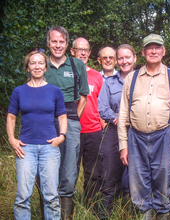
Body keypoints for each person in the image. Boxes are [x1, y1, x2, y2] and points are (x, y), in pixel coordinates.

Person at [117, 34, 170, 220]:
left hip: (164, 135)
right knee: (138, 181)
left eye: (157, 48)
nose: (154, 51)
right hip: (135, 137)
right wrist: (123, 145)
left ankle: (163, 214)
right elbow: (123, 113)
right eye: (150, 48)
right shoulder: (132, 78)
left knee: (163, 179)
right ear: (143, 52)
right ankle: (144, 215)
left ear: (163, 51)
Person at [7, 50, 67, 219]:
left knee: (51, 197)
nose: (37, 66)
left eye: (40, 63)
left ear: (46, 67)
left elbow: (62, 116)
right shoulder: (19, 91)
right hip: (25, 148)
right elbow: (11, 117)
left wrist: (61, 136)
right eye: (33, 63)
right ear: (28, 68)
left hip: (50, 147)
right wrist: (12, 139)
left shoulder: (55, 91)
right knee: (22, 197)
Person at [44, 26, 89, 219]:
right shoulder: (41, 63)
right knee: (46, 171)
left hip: (70, 121)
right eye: (54, 41)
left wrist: (73, 120)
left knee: (69, 172)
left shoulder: (76, 64)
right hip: (45, 122)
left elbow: (83, 96)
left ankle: (66, 216)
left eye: (61, 41)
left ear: (67, 44)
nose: (58, 45)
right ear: (48, 43)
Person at [98, 44, 137, 218]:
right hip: (114, 132)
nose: (124, 61)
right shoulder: (109, 83)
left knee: (136, 175)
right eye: (120, 58)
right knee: (110, 174)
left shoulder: (142, 80)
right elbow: (102, 108)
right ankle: (105, 214)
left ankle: (131, 213)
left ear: (135, 58)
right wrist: (117, 118)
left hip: (137, 133)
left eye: (127, 57)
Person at [70, 37, 103, 210]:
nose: (83, 52)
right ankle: (69, 206)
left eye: (86, 50)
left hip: (93, 131)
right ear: (72, 51)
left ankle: (89, 208)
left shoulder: (97, 76)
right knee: (70, 172)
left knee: (93, 173)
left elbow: (102, 105)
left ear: (90, 53)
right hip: (70, 131)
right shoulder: (65, 74)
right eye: (79, 49)